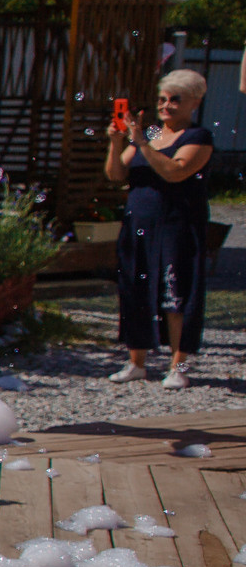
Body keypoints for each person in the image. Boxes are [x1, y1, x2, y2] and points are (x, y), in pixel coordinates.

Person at [106, 69, 217, 388]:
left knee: (175, 293)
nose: (166, 105)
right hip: (138, 223)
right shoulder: (151, 134)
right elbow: (116, 174)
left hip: (176, 224)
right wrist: (117, 143)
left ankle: (177, 365)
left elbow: (175, 172)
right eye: (162, 99)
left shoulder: (199, 137)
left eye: (175, 99)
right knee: (134, 289)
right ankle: (136, 362)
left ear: (194, 102)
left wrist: (141, 142)